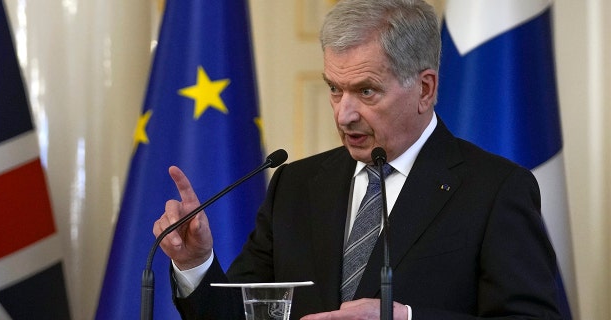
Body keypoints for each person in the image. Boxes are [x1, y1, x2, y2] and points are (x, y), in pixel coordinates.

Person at [153, 0, 564, 319]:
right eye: (335, 88)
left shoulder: (494, 189)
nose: (343, 114)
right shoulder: (294, 185)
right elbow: (241, 315)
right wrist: (195, 263)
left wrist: (406, 317)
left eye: (366, 91)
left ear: (424, 89)